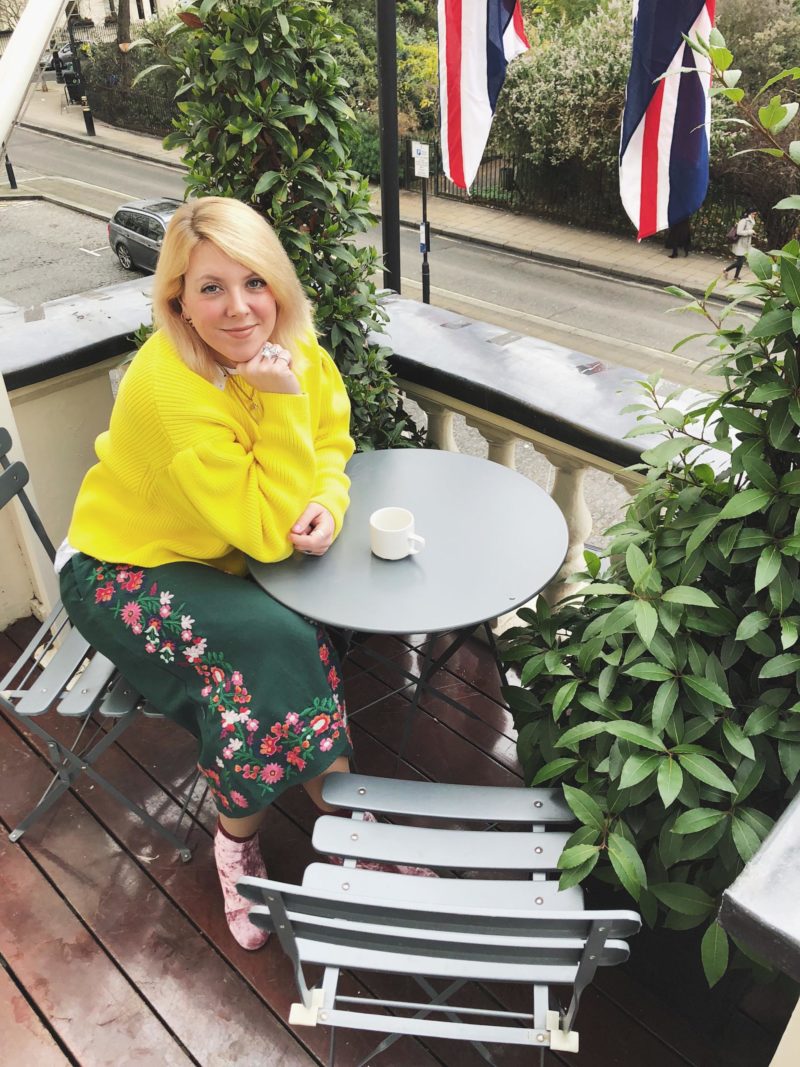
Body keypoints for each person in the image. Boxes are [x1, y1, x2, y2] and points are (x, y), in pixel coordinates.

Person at [56, 196, 416, 951]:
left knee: (284, 648)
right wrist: (280, 407)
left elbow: (332, 436)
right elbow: (266, 534)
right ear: (178, 300)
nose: (239, 307)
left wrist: (327, 498)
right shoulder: (172, 393)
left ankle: (339, 829)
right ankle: (265, 840)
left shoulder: (289, 342)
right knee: (266, 650)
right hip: (124, 566)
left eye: (254, 281)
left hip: (225, 555)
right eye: (211, 287)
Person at [724, 209, 758, 279]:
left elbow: (747, 232)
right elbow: (739, 232)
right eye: (753, 214)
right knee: (740, 262)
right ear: (749, 213)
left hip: (746, 244)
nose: (754, 216)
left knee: (740, 262)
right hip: (740, 243)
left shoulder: (751, 222)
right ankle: (726, 270)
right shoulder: (743, 221)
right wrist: (750, 231)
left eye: (755, 214)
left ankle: (736, 276)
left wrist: (752, 233)